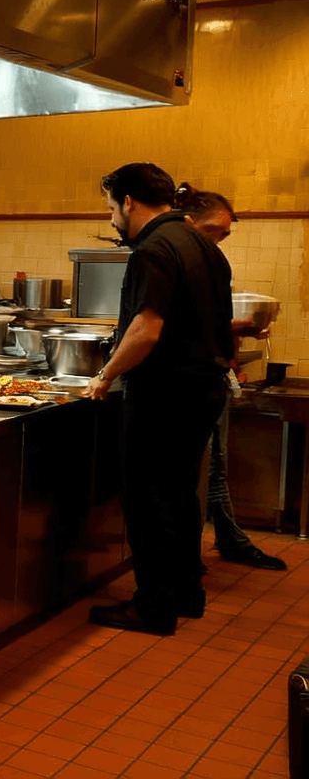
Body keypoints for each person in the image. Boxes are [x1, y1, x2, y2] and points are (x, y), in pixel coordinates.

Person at [85, 163, 235, 635]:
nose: (112, 218)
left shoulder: (154, 249)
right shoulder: (205, 248)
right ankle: (187, 592)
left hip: (164, 395)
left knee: (149, 500)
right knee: (180, 497)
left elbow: (147, 330)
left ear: (129, 202)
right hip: (203, 391)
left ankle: (153, 607)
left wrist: (104, 376)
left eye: (112, 207)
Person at [175, 184, 285, 571]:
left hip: (211, 378)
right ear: (185, 222)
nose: (218, 241)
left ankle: (224, 540)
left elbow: (202, 322)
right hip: (186, 384)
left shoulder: (209, 263)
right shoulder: (174, 258)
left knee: (214, 465)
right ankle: (199, 551)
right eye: (212, 232)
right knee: (201, 470)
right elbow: (171, 325)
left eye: (223, 234)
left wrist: (234, 340)